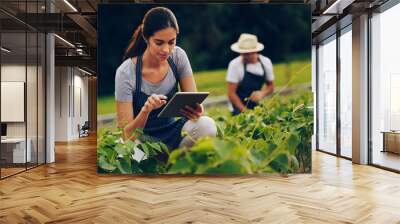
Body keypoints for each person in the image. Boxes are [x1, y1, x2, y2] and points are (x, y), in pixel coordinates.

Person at [115, 7, 217, 156]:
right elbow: (126, 135)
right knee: (124, 148)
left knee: (207, 125)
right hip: (141, 142)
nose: (166, 50)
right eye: (159, 42)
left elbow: (193, 99)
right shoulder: (125, 73)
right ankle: (160, 164)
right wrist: (146, 110)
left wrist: (197, 110)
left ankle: (172, 162)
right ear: (146, 38)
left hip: (172, 133)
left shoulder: (178, 57)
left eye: (171, 42)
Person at [226, 33, 275, 115]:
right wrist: (246, 112)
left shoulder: (265, 62)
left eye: (248, 53)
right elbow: (231, 93)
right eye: (243, 53)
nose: (245, 56)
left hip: (255, 105)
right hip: (238, 105)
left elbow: (271, 86)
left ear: (255, 51)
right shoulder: (235, 65)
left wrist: (262, 93)